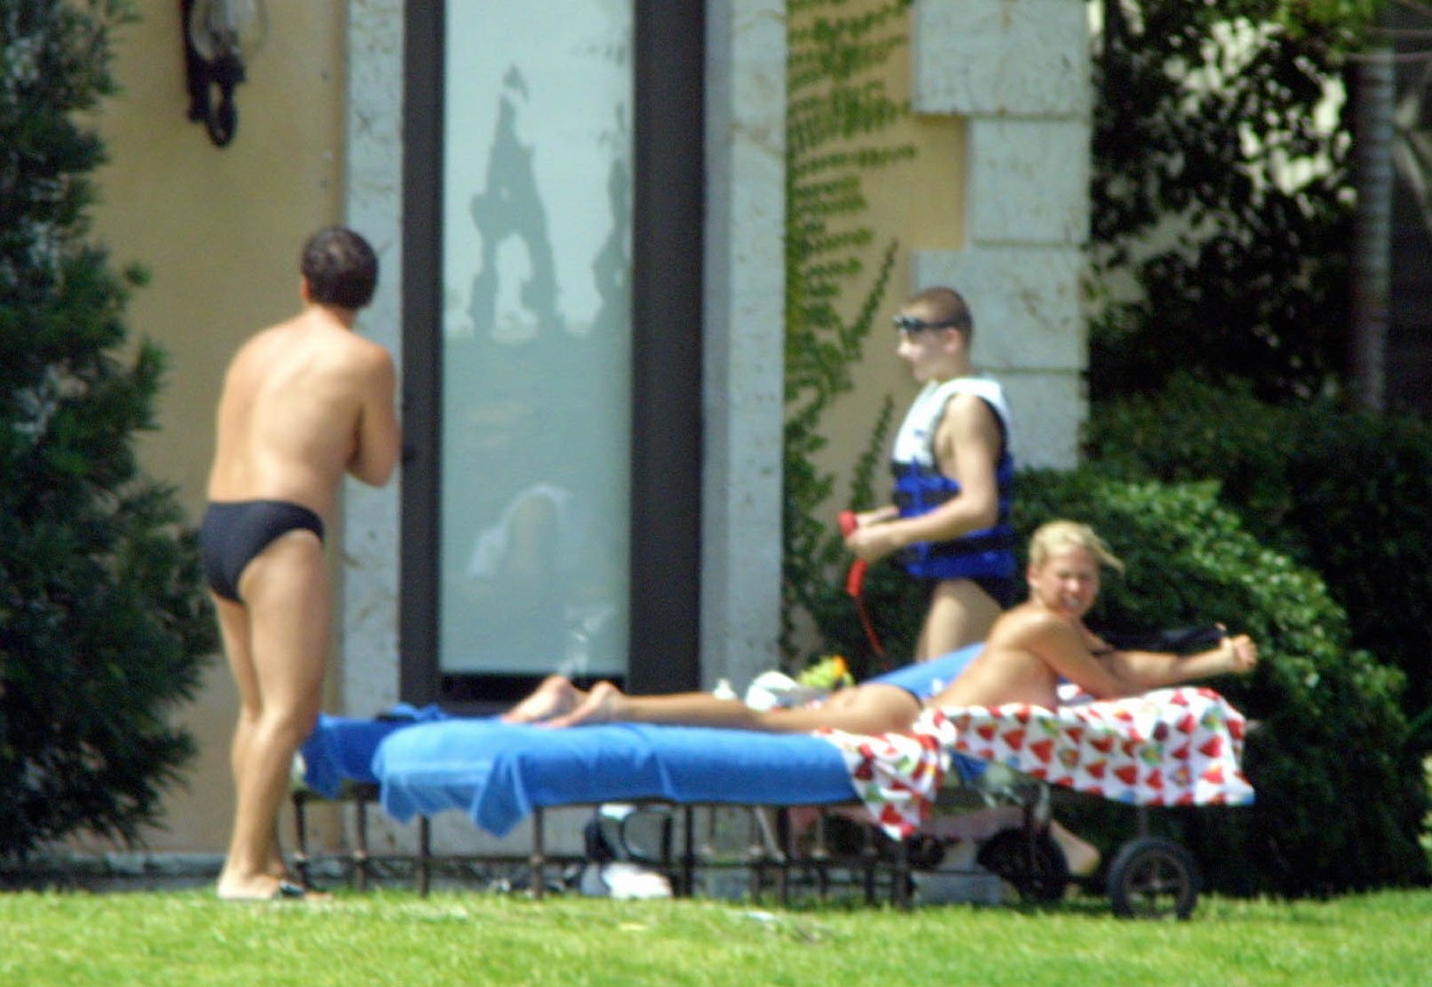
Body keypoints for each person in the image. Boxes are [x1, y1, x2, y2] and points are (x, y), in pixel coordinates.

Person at [505, 520, 1259, 734]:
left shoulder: (1061, 631)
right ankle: (615, 705)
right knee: (760, 724)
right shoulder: (1042, 625)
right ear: (1033, 578)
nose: (1074, 589)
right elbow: (1115, 684)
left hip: (901, 713)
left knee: (764, 719)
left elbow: (1125, 664)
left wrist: (1211, 660)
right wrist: (1211, 667)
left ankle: (601, 701)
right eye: (1063, 576)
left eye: (1085, 579)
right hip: (901, 723)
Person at [204, 226, 402, 901]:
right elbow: (378, 467)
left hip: (221, 525)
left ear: (304, 284)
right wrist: (342, 440)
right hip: (281, 530)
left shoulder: (255, 350)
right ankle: (241, 870)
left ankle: (266, 863)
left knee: (258, 709)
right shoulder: (365, 360)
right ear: (367, 295)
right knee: (291, 712)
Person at [843, 287, 1019, 663]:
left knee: (937, 692)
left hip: (971, 580)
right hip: (946, 578)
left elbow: (979, 508)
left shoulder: (966, 407)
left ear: (950, 339)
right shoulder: (940, 398)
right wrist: (886, 518)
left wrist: (893, 536)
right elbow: (943, 496)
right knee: (925, 687)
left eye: (912, 339)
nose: (901, 351)